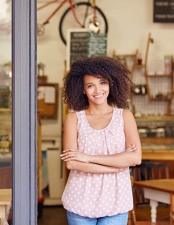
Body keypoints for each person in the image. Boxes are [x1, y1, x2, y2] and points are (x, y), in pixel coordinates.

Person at [60, 56, 142, 225]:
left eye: (103, 83)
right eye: (90, 85)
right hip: (80, 200)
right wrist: (116, 165)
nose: (98, 90)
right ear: (82, 89)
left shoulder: (125, 116)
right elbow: (72, 164)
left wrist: (88, 157)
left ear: (111, 84)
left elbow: (135, 158)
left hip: (116, 201)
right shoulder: (73, 119)